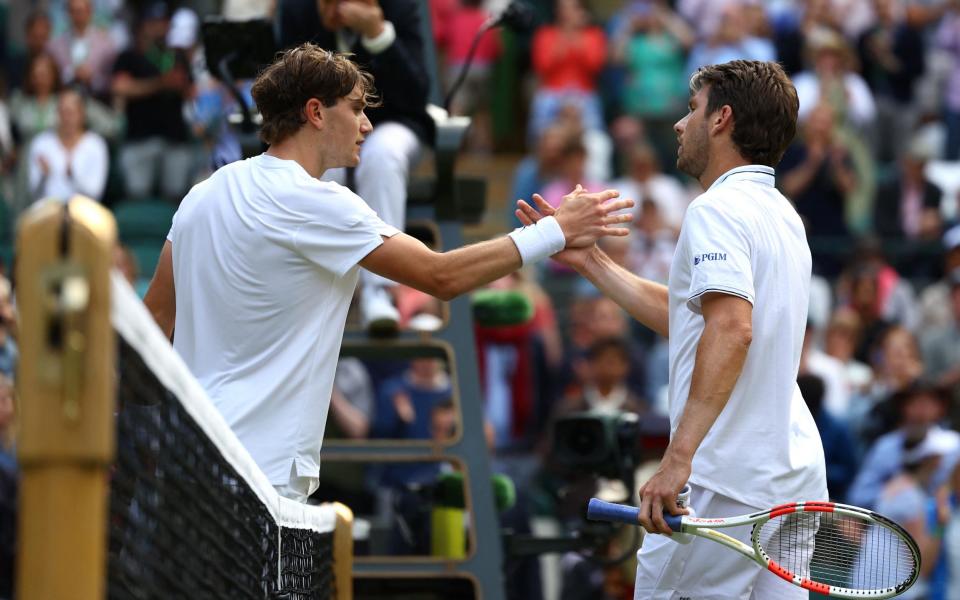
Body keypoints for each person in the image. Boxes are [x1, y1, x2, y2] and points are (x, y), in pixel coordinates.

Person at [143, 45, 632, 503]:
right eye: (356, 109)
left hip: (182, 460)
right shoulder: (319, 203)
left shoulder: (202, 194)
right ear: (316, 113)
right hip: (257, 475)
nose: (368, 125)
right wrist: (554, 232)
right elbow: (440, 276)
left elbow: (153, 322)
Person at [517, 59, 827, 599]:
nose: (681, 125)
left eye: (692, 109)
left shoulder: (716, 210)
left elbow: (732, 329)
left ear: (721, 119)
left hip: (722, 482)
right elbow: (695, 321)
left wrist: (676, 459)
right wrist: (593, 264)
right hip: (792, 480)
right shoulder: (782, 214)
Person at [279, 0, 437, 335]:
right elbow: (285, 91)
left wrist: (377, 34)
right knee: (320, 164)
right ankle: (314, 289)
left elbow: (416, 93)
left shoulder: (400, 7)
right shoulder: (298, 9)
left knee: (382, 156)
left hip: (394, 122)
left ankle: (379, 291)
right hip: (322, 126)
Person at [27, 88, 109, 203]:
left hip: (83, 213)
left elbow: (96, 194)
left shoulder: (96, 144)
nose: (66, 118)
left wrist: (73, 176)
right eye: (62, 112)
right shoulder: (41, 143)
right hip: (47, 213)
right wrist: (43, 176)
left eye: (71, 112)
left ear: (82, 114)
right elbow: (33, 194)